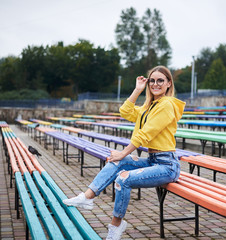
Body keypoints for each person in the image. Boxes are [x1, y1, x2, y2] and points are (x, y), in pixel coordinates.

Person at [63, 66, 186, 240]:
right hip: (153, 160)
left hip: (167, 165)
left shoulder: (166, 105)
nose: (155, 84)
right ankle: (87, 197)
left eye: (160, 80)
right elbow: (126, 112)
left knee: (123, 177)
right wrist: (137, 90)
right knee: (117, 162)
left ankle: (116, 225)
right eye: (152, 80)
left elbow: (145, 134)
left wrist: (123, 153)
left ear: (168, 84)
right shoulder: (150, 106)